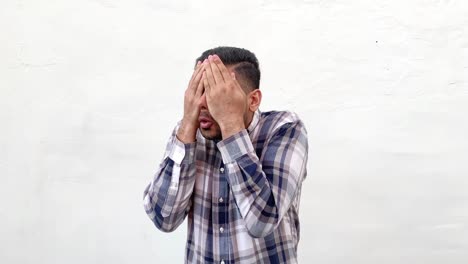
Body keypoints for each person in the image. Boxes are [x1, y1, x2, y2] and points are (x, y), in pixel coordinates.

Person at [143, 46, 309, 264]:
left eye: (218, 93)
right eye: (199, 91)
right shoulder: (188, 134)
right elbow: (163, 218)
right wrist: (185, 129)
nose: (202, 103)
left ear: (253, 100)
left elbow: (262, 220)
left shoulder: (284, 129)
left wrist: (230, 123)